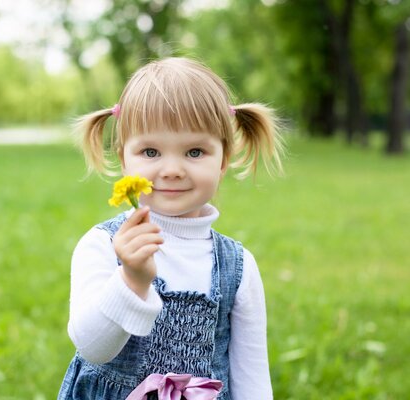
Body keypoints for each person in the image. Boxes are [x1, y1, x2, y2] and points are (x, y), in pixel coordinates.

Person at [58, 57, 284, 400]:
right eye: (151, 151)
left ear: (222, 161)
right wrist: (131, 280)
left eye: (195, 151)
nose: (172, 169)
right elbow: (92, 348)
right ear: (124, 160)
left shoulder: (238, 267)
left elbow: (252, 379)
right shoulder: (103, 246)